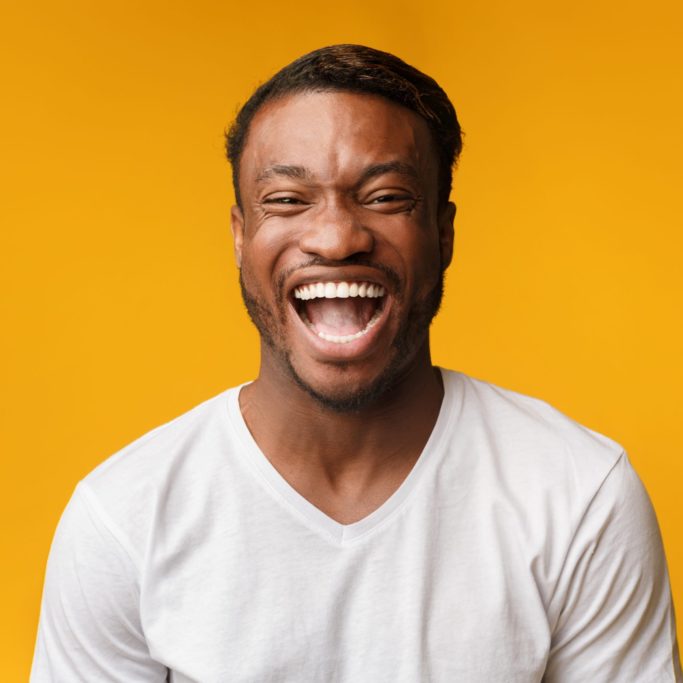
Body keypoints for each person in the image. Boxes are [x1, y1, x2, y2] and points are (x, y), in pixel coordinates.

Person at [32, 44, 681, 682]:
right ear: (239, 236)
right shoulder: (123, 519)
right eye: (287, 199)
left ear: (443, 232)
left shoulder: (578, 497)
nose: (337, 237)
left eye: (386, 197)